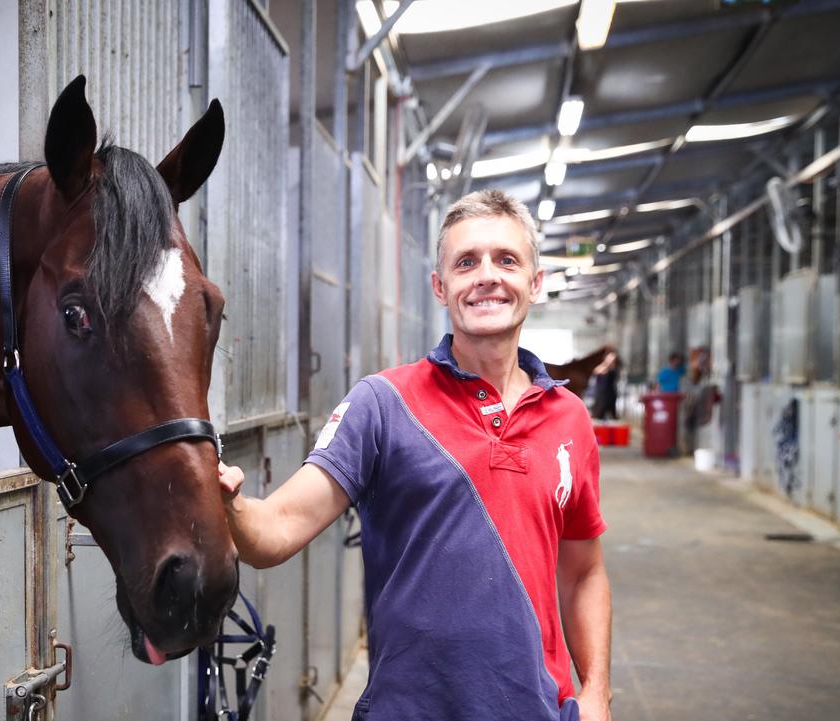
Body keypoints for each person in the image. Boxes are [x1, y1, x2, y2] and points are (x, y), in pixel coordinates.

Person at [218, 190, 612, 721]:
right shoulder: (382, 404)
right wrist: (230, 502)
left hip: (539, 709)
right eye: (466, 262)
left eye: (507, 260)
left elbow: (583, 569)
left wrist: (596, 693)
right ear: (440, 286)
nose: (487, 276)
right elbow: (275, 532)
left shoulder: (568, 417)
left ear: (535, 284)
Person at [590, 350, 620, 420]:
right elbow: (596, 371)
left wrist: (609, 363)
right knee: (598, 414)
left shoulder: (613, 370)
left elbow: (609, 372)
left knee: (611, 415)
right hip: (600, 395)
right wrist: (606, 363)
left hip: (610, 395)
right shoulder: (602, 367)